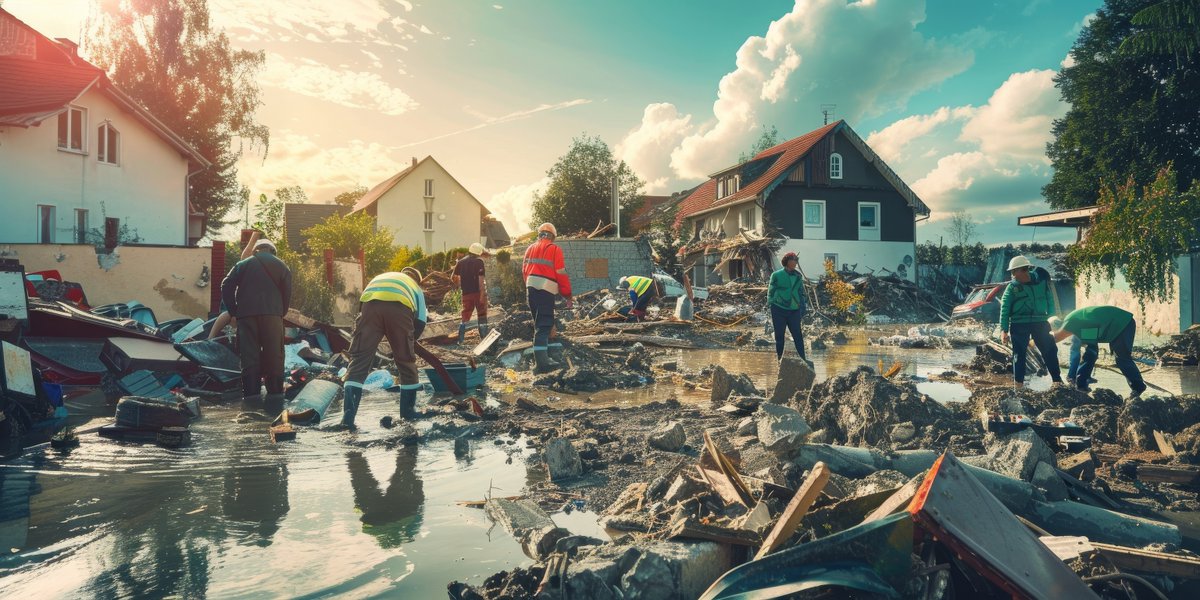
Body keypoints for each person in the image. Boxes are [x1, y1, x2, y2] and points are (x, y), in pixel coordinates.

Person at [341, 267, 428, 428]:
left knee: (359, 360)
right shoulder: (415, 288)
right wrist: (409, 342)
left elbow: (361, 308)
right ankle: (408, 413)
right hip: (399, 308)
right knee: (406, 362)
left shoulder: (383, 276)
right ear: (418, 281)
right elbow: (421, 321)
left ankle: (347, 418)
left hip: (369, 305)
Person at [221, 239, 292, 412]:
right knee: (274, 355)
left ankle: (251, 401)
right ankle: (275, 400)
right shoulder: (282, 267)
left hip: (246, 316)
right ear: (273, 251)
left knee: (249, 356)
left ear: (255, 251)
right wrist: (279, 312)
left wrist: (234, 311)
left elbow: (225, 285)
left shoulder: (242, 265)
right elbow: (287, 294)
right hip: (273, 316)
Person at [1051, 306, 1147, 397]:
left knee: (1122, 358)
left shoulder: (1071, 323)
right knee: (1093, 353)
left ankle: (1138, 387)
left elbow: (1056, 338)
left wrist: (1042, 343)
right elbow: (1091, 350)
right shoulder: (1077, 324)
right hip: (1118, 324)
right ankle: (1081, 383)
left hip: (1123, 323)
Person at [998, 256, 1063, 388]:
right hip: (1019, 324)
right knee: (1019, 354)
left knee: (1050, 350)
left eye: (1014, 272)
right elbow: (1004, 309)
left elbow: (1050, 301)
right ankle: (1018, 386)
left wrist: (1052, 319)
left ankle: (1057, 382)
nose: (1012, 275)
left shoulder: (1041, 282)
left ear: (1024, 270)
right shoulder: (1012, 287)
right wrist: (1004, 330)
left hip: (1041, 322)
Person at [523, 222, 572, 373]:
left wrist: (529, 286)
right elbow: (561, 273)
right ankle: (542, 363)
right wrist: (567, 294)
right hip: (546, 290)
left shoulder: (530, 248)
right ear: (552, 236)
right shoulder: (554, 249)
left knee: (540, 324)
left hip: (531, 289)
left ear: (539, 234)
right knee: (544, 325)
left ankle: (545, 356)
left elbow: (524, 270)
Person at [208, 230, 260, 339]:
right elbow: (245, 258)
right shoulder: (245, 267)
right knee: (228, 315)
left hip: (250, 307)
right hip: (235, 303)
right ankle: (210, 339)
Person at [767, 252, 808, 361]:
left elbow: (801, 292)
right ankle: (780, 360)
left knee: (798, 336)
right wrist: (771, 302)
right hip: (778, 309)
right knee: (779, 337)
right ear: (787, 261)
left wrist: (802, 307)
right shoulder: (776, 275)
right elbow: (771, 291)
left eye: (796, 260)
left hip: (794, 309)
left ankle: (803, 360)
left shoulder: (798, 276)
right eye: (793, 259)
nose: (795, 262)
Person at [452, 243, 489, 344]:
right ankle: (484, 338)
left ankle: (460, 340)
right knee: (481, 314)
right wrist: (482, 295)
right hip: (477, 292)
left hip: (466, 293)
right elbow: (481, 280)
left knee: (465, 315)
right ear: (478, 252)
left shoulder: (460, 262)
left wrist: (459, 285)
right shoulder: (479, 262)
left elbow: (454, 277)